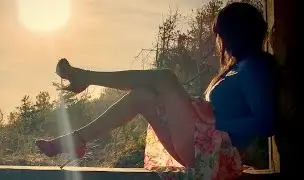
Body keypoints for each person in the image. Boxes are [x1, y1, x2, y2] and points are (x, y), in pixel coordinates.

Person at [35, 2, 277, 179]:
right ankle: (74, 141)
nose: (219, 41)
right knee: (141, 97)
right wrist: (205, 110)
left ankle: (84, 78)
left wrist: (215, 119)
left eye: (220, 34)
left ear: (234, 33)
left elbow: (267, 124)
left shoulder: (254, 67)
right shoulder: (234, 70)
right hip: (203, 148)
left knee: (164, 77)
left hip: (216, 155)